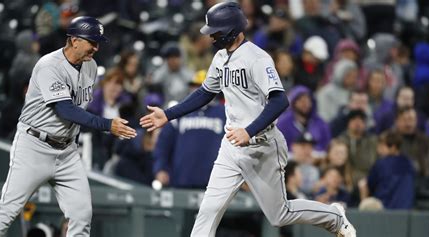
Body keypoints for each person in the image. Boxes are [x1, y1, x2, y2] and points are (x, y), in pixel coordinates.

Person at [140, 2, 356, 237]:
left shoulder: (257, 58)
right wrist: (168, 114)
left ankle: (334, 216)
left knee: (279, 215)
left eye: (216, 32)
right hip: (232, 146)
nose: (211, 37)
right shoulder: (220, 57)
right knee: (208, 211)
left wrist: (249, 131)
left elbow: (280, 101)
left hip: (262, 145)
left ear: (232, 30)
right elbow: (205, 93)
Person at [0, 16, 137, 237]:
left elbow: (78, 111)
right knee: (8, 210)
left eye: (98, 41)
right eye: (91, 41)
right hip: (34, 145)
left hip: (67, 151)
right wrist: (106, 124)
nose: (96, 47)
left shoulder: (91, 66)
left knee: (81, 215)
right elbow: (66, 110)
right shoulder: (49, 65)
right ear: (74, 41)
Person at [153, 70, 226, 189]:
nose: (197, 91)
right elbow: (163, 145)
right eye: (194, 86)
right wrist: (160, 168)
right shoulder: (179, 112)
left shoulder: (224, 112)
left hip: (216, 185)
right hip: (181, 181)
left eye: (201, 87)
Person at [360, 131, 415, 209]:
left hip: (384, 212)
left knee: (362, 185)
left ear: (393, 147)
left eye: (381, 146)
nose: (378, 150)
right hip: (407, 212)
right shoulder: (410, 163)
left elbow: (369, 185)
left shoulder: (381, 164)